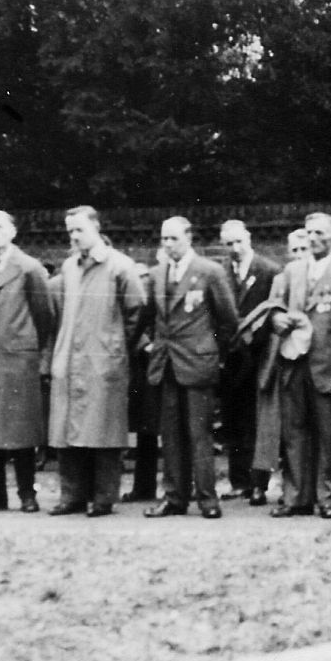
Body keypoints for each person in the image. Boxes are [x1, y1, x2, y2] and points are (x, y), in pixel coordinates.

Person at [47, 206, 146, 518]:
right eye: (70, 232)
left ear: (96, 229)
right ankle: (72, 495)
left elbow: (137, 312)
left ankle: (103, 497)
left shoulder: (120, 266)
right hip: (69, 357)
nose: (75, 237)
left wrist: (115, 344)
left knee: (103, 431)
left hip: (103, 359)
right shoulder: (69, 267)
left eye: (80, 230)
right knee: (67, 431)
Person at [263, 212, 331, 519]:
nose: (313, 239)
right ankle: (295, 497)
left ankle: (327, 497)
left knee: (328, 436)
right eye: (308, 233)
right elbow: (274, 308)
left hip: (326, 367)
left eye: (320, 233)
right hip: (293, 364)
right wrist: (277, 319)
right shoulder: (291, 272)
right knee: (294, 433)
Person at [143, 216, 238, 519]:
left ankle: (208, 499)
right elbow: (148, 318)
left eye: (173, 238)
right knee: (170, 436)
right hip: (166, 364)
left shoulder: (209, 272)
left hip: (198, 364)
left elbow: (228, 321)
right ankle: (174, 498)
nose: (168, 245)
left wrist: (210, 351)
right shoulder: (157, 274)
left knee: (199, 434)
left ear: (189, 238)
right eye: (164, 239)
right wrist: (152, 344)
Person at [0, 210, 55, 514]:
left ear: (13, 232)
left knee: (21, 430)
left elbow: (45, 316)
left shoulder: (29, 268)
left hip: (18, 358)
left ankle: (26, 494)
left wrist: (39, 355)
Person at [218, 219, 281, 505]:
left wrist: (254, 336)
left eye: (238, 242)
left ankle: (258, 483)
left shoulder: (268, 270)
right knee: (233, 419)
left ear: (249, 238)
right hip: (232, 358)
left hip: (258, 355)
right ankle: (238, 481)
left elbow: (273, 310)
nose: (235, 248)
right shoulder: (220, 274)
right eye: (229, 244)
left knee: (257, 420)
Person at [122, 262, 162, 503]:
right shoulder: (131, 301)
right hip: (138, 369)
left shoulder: (157, 300)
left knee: (156, 429)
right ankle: (143, 487)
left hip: (159, 365)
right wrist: (144, 344)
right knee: (145, 431)